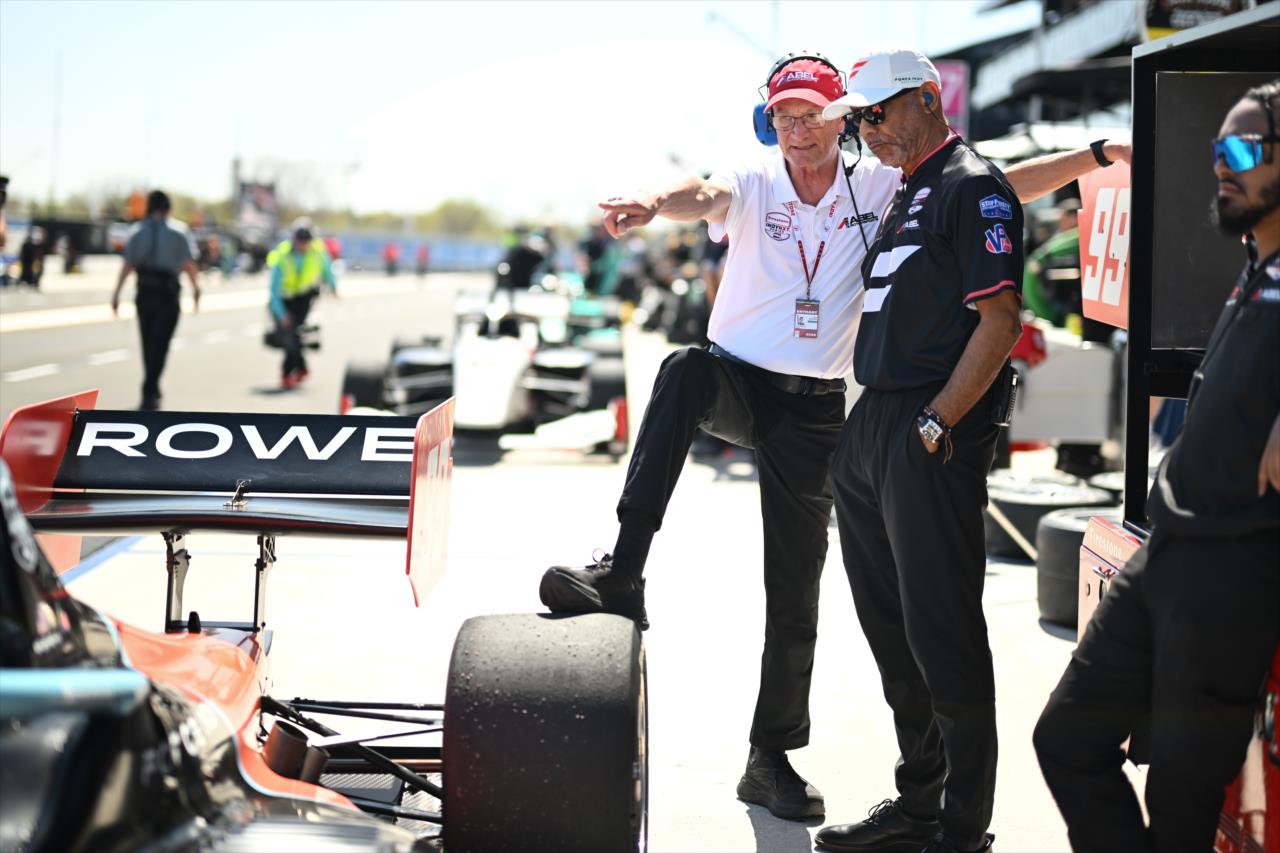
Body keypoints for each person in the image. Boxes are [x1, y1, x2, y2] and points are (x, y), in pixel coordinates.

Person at [536, 48, 1129, 824]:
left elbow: (996, 183)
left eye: (812, 115)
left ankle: (771, 757)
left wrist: (1093, 156)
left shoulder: (879, 182)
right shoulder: (755, 183)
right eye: (783, 118)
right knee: (681, 370)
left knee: (797, 593)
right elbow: (701, 192)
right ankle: (624, 569)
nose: (798, 130)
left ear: (840, 120)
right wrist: (649, 200)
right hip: (737, 381)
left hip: (818, 411)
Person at [1033, 80, 1280, 853]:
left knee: (1180, 806)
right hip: (1165, 551)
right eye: (1216, 149)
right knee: (1065, 738)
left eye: (1242, 149)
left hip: (1233, 574)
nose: (1221, 165)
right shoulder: (1256, 263)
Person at [811, 47, 1029, 853]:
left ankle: (962, 828)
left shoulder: (974, 185)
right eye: (859, 118)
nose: (868, 128)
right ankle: (919, 804)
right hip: (874, 423)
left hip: (931, 423)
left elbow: (1001, 321)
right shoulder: (908, 187)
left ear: (930, 99)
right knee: (893, 632)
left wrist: (937, 422)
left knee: (942, 630)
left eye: (879, 110)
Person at [111, 191, 201, 411]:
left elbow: (127, 265)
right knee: (161, 344)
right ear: (168, 207)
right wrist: (197, 289)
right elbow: (189, 264)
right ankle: (150, 390)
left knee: (148, 343)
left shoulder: (136, 231)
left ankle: (151, 388)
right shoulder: (179, 232)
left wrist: (116, 293)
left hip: (144, 294)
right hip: (167, 296)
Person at [268, 218, 337, 389]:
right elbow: (274, 291)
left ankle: (287, 373)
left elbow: (327, 271)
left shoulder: (317, 252)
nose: (303, 244)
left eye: (307, 240)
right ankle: (301, 368)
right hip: (284, 299)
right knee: (289, 334)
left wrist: (334, 288)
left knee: (293, 333)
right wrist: (282, 314)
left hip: (304, 298)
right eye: (300, 240)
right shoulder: (282, 256)